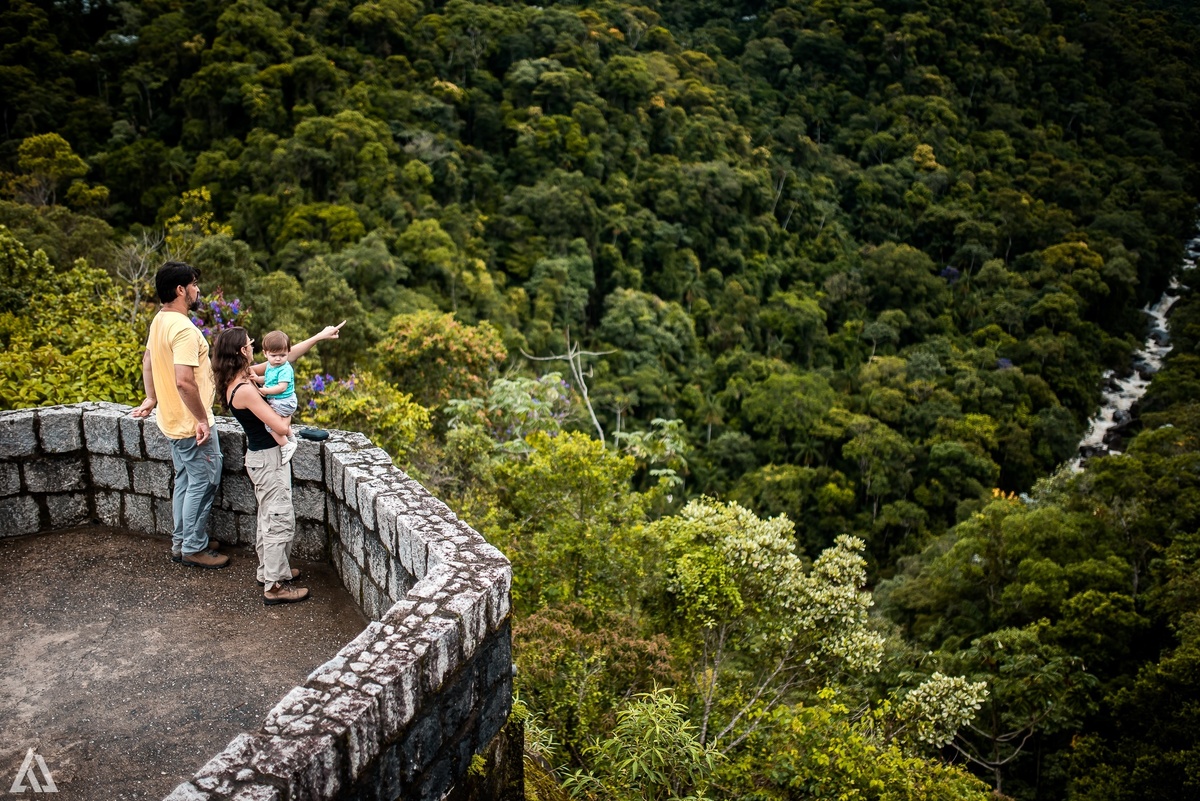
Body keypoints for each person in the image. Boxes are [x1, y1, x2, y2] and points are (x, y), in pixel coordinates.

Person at [211, 325, 341, 604]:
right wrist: (290, 412)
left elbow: (285, 355)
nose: (254, 348)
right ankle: (274, 587)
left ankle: (271, 570)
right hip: (269, 459)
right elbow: (280, 427)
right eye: (251, 344)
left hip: (260, 458)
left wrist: (318, 336)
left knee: (268, 518)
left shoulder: (240, 376)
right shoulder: (245, 388)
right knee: (279, 521)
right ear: (242, 351)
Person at [131, 261, 227, 568]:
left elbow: (148, 360)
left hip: (170, 420)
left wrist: (151, 398)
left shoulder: (160, 321)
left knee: (185, 481)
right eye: (195, 284)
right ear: (181, 290)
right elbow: (184, 381)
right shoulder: (184, 329)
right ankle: (193, 547)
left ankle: (182, 540)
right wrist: (201, 419)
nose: (198, 290)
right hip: (189, 424)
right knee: (204, 481)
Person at [254, 330, 299, 465]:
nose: (278, 359)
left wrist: (265, 391)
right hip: (281, 401)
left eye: (282, 355)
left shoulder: (285, 368)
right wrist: (257, 378)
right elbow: (268, 379)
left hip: (284, 401)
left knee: (270, 424)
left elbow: (281, 387)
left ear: (288, 353)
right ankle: (291, 438)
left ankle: (286, 445)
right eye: (274, 355)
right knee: (279, 420)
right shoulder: (270, 366)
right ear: (265, 353)